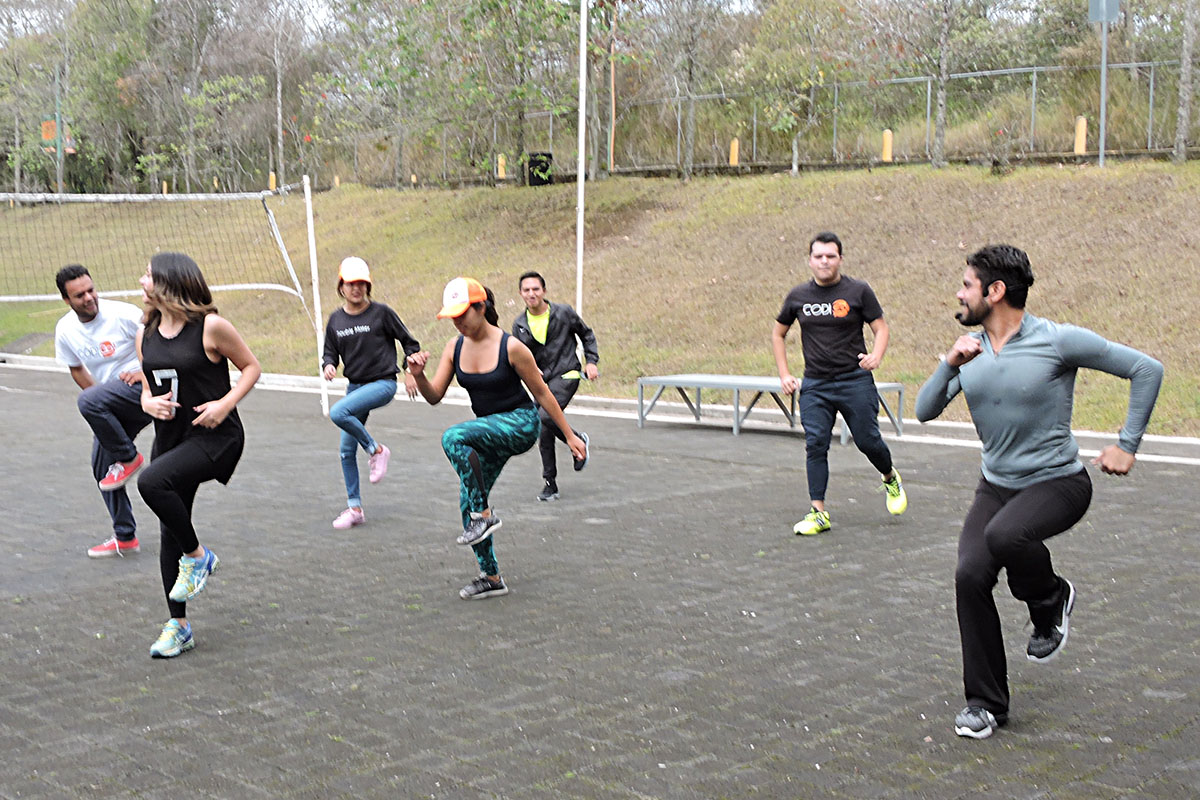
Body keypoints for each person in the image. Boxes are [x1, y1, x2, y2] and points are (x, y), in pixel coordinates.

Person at [915, 244, 1162, 740]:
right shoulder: (971, 349)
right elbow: (923, 410)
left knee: (1006, 536)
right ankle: (986, 704)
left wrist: (1127, 445)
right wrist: (949, 362)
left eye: (966, 284)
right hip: (996, 487)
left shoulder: (1057, 340)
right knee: (969, 574)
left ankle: (1050, 599)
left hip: (1059, 484)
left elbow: (1146, 369)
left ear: (995, 291)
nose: (959, 294)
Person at [407, 277, 586, 600]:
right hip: (488, 432)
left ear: (482, 307)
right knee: (467, 501)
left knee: (453, 437)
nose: (458, 322)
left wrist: (570, 436)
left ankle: (485, 517)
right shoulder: (454, 347)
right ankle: (491, 576)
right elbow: (434, 396)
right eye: (453, 317)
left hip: (519, 425)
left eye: (463, 314)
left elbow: (543, 394)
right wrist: (418, 375)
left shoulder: (511, 347)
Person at [135, 252, 261, 658]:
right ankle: (179, 625)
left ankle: (199, 557)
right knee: (169, 528)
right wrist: (146, 404)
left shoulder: (211, 327)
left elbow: (251, 368)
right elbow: (148, 384)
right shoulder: (147, 333)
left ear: (170, 282)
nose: (141, 282)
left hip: (215, 437)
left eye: (148, 276)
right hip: (170, 437)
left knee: (151, 482)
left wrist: (225, 403)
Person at [771, 231, 907, 536]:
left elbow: (881, 328)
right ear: (810, 260)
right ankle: (818, 512)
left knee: (867, 440)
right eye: (818, 256)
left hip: (854, 380)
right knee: (815, 443)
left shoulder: (858, 291)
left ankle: (889, 476)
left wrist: (877, 355)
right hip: (816, 384)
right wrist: (784, 373)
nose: (824, 261)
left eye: (830, 256)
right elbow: (778, 333)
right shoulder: (798, 297)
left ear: (840, 259)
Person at [54, 264, 154, 558]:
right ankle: (125, 536)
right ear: (67, 300)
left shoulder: (123, 314)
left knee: (88, 402)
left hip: (144, 389)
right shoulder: (65, 330)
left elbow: (157, 346)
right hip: (114, 400)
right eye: (79, 295)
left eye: (91, 290)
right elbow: (75, 368)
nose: (89, 298)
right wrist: (101, 397)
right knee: (101, 468)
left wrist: (145, 375)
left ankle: (129, 457)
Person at [321, 257, 420, 530]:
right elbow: (329, 351)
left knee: (339, 412)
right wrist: (329, 364)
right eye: (351, 284)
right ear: (341, 286)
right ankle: (355, 508)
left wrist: (409, 371)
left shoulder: (382, 313)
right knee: (344, 451)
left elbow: (410, 343)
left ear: (368, 286)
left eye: (362, 284)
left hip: (383, 383)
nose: (356, 289)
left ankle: (376, 450)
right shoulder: (336, 320)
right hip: (355, 386)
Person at [511, 270, 597, 501]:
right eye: (527, 290)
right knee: (544, 429)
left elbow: (587, 335)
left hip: (566, 374)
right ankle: (550, 484)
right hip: (541, 382)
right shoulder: (519, 325)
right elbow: (517, 356)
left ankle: (577, 438)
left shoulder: (564, 313)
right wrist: (527, 369)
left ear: (544, 291)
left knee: (546, 416)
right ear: (521, 294)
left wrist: (591, 362)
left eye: (536, 289)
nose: (532, 294)